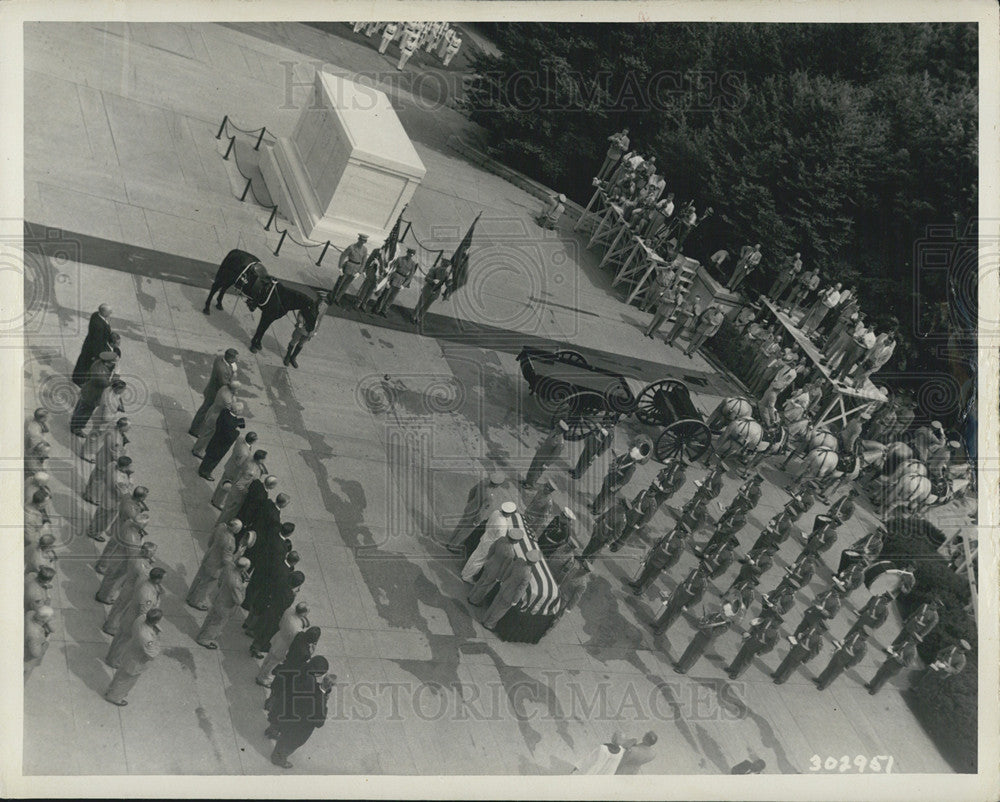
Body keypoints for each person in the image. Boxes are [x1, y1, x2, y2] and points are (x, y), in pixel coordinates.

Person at [267, 656, 334, 768]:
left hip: (284, 703)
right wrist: (322, 694)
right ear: (317, 672)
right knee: (288, 743)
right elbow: (319, 721)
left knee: (277, 722)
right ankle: (278, 759)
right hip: (295, 719)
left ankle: (271, 731)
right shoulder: (310, 684)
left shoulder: (302, 667)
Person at [105, 608, 162, 706]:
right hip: (136, 661)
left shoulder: (141, 618)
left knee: (120, 676)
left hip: (130, 653)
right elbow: (152, 653)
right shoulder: (146, 636)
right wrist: (157, 646)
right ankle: (115, 698)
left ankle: (111, 691)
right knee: (127, 681)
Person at [186, 519, 244, 610]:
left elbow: (211, 540)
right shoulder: (230, 543)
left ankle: (190, 596)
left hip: (209, 557)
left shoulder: (221, 526)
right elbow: (227, 560)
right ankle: (196, 601)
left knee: (199, 578)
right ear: (236, 530)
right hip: (216, 566)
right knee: (206, 585)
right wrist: (238, 554)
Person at [196, 557, 252, 649]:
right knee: (217, 623)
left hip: (219, 598)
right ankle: (205, 639)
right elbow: (239, 600)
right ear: (244, 568)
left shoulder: (229, 569)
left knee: (210, 619)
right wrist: (244, 587)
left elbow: (220, 581)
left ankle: (202, 634)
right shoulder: (237, 583)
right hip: (226, 606)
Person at [461, 502, 520, 582]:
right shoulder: (502, 525)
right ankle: (467, 576)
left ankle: (465, 572)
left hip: (486, 536)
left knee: (475, 555)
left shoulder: (496, 512)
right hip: (490, 543)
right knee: (479, 561)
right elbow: (500, 539)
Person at [256, 601, 311, 687]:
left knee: (269, 657)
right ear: (303, 613)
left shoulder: (289, 611)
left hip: (278, 637)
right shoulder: (297, 629)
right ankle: (262, 678)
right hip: (283, 646)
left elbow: (281, 623)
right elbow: (293, 641)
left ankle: (262, 672)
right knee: (273, 663)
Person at [481, 549, 538, 630]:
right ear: (535, 563)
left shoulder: (519, 561)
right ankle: (489, 624)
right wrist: (515, 600)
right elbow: (520, 589)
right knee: (500, 610)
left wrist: (503, 580)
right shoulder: (528, 575)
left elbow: (509, 570)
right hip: (511, 595)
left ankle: (484, 618)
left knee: (494, 604)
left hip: (505, 585)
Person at [84, 455, 134, 543]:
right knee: (104, 520)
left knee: (99, 516)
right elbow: (123, 494)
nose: (130, 467)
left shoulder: (112, 465)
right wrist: (130, 482)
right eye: (129, 466)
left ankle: (92, 529)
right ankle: (94, 533)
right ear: (124, 467)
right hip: (112, 502)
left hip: (106, 495)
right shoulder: (119, 480)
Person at [189, 348, 239, 435]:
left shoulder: (220, 359)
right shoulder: (222, 370)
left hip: (211, 390)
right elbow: (224, 383)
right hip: (214, 394)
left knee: (205, 411)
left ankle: (197, 428)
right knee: (204, 411)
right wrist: (234, 378)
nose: (236, 360)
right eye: (235, 358)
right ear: (230, 358)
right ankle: (194, 430)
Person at [590, 442, 648, 515]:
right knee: (602, 493)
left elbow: (626, 480)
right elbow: (618, 460)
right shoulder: (626, 456)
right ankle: (595, 506)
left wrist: (616, 486)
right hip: (610, 477)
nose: (631, 449)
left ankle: (598, 510)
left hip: (615, 482)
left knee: (605, 497)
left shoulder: (632, 466)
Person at [70, 351, 117, 435]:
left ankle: (74, 423)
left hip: (87, 390)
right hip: (92, 396)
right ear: (107, 362)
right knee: (85, 412)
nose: (114, 364)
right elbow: (107, 384)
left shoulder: (98, 363)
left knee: (80, 409)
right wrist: (116, 376)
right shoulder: (100, 373)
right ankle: (77, 428)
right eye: (112, 362)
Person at [650, 565, 707, 634]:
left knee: (673, 616)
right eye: (700, 568)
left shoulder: (704, 584)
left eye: (702, 570)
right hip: (680, 593)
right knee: (669, 609)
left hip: (686, 599)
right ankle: (658, 624)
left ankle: (661, 630)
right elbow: (686, 581)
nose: (700, 570)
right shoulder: (694, 571)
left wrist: (687, 606)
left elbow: (698, 598)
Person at [192, 379, 241, 458]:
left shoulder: (224, 388)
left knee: (205, 433)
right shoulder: (227, 399)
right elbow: (232, 407)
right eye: (237, 390)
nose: (238, 391)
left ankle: (198, 447)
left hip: (212, 411)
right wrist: (234, 397)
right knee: (207, 435)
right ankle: (197, 450)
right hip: (215, 417)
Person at [198, 401, 246, 480]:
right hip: (221, 445)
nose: (242, 412)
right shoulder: (232, 423)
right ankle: (205, 473)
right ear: (237, 412)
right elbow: (230, 437)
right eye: (241, 410)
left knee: (208, 456)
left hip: (215, 439)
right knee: (214, 460)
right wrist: (237, 432)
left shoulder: (224, 412)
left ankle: (202, 468)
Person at [216, 452, 269, 525]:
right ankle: (220, 526)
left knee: (227, 510)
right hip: (237, 495)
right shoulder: (250, 472)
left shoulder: (251, 460)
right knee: (229, 513)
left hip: (235, 491)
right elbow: (240, 484)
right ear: (260, 459)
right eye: (264, 459)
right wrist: (247, 492)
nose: (265, 461)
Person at [211, 431, 258, 508]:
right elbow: (239, 464)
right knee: (225, 488)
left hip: (230, 465)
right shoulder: (245, 453)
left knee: (222, 483)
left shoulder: (240, 439)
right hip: (234, 471)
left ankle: (215, 498)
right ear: (253, 441)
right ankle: (218, 502)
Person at [283, 292, 330, 368]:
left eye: (323, 300)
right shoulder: (309, 303)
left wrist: (316, 330)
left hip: (311, 330)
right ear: (317, 298)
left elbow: (320, 319)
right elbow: (300, 313)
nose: (321, 301)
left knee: (301, 343)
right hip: (303, 327)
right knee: (294, 341)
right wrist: (300, 322)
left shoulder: (325, 307)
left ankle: (293, 357)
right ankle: (287, 356)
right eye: (320, 299)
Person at [771, 620, 826, 684]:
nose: (816, 626)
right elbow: (803, 636)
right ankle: (777, 674)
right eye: (818, 625)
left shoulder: (819, 641)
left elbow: (813, 653)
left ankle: (781, 679)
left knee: (791, 667)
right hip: (797, 647)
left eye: (818, 627)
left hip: (803, 654)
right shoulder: (812, 631)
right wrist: (797, 640)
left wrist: (805, 660)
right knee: (786, 661)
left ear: (822, 630)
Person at [71, 304, 114, 386]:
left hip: (89, 345)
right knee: (86, 365)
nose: (111, 312)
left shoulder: (96, 315)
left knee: (83, 363)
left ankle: (78, 378)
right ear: (103, 312)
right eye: (109, 311)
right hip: (93, 349)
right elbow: (97, 342)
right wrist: (96, 354)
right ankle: (79, 381)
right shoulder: (99, 326)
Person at [727, 615, 781, 679]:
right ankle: (732, 668)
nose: (773, 621)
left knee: (746, 662)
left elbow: (770, 647)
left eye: (776, 621)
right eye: (774, 619)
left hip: (758, 647)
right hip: (751, 640)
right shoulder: (768, 620)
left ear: (779, 624)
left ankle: (736, 674)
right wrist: (749, 632)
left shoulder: (777, 635)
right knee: (740, 655)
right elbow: (757, 627)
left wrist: (760, 653)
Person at [522, 420, 569, 489]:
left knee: (536, 473)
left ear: (561, 430)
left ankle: (530, 485)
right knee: (532, 468)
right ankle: (527, 481)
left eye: (558, 427)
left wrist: (546, 464)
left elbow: (554, 456)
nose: (556, 426)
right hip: (539, 454)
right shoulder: (554, 432)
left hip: (543, 460)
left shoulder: (560, 443)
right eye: (557, 425)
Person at [579, 498, 628, 564]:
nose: (620, 506)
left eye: (622, 506)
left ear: (625, 509)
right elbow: (605, 514)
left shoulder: (622, 520)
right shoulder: (616, 507)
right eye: (621, 504)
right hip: (599, 528)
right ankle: (582, 557)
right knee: (590, 544)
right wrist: (597, 521)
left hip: (605, 536)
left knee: (595, 550)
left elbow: (617, 534)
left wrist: (608, 542)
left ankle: (587, 563)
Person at [373, 247, 419, 316]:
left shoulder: (412, 264)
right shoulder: (400, 259)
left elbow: (410, 275)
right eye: (409, 253)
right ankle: (377, 309)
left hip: (401, 281)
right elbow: (392, 269)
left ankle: (384, 311)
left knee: (392, 297)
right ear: (407, 253)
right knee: (385, 295)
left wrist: (404, 285)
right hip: (394, 278)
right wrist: (388, 280)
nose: (410, 255)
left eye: (412, 254)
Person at [411, 258, 452, 325]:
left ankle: (419, 318)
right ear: (442, 263)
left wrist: (450, 282)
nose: (445, 266)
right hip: (428, 289)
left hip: (436, 292)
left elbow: (446, 284)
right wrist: (432, 280)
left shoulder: (446, 274)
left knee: (427, 306)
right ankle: (413, 316)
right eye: (445, 264)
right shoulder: (434, 269)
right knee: (420, 303)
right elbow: (427, 278)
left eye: (446, 266)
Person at [331, 233, 370, 304]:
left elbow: (364, 262)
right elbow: (343, 256)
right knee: (340, 283)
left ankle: (338, 299)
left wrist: (359, 272)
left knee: (346, 285)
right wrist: (340, 267)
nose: (362, 242)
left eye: (364, 241)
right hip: (348, 266)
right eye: (361, 240)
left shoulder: (365, 250)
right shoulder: (352, 247)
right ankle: (332, 297)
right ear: (358, 239)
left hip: (356, 269)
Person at [25, 605, 54, 679]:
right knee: (26, 673)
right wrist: (46, 643)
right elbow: (36, 653)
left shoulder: (30, 613)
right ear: (44, 620)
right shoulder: (35, 635)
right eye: (50, 618)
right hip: (26, 658)